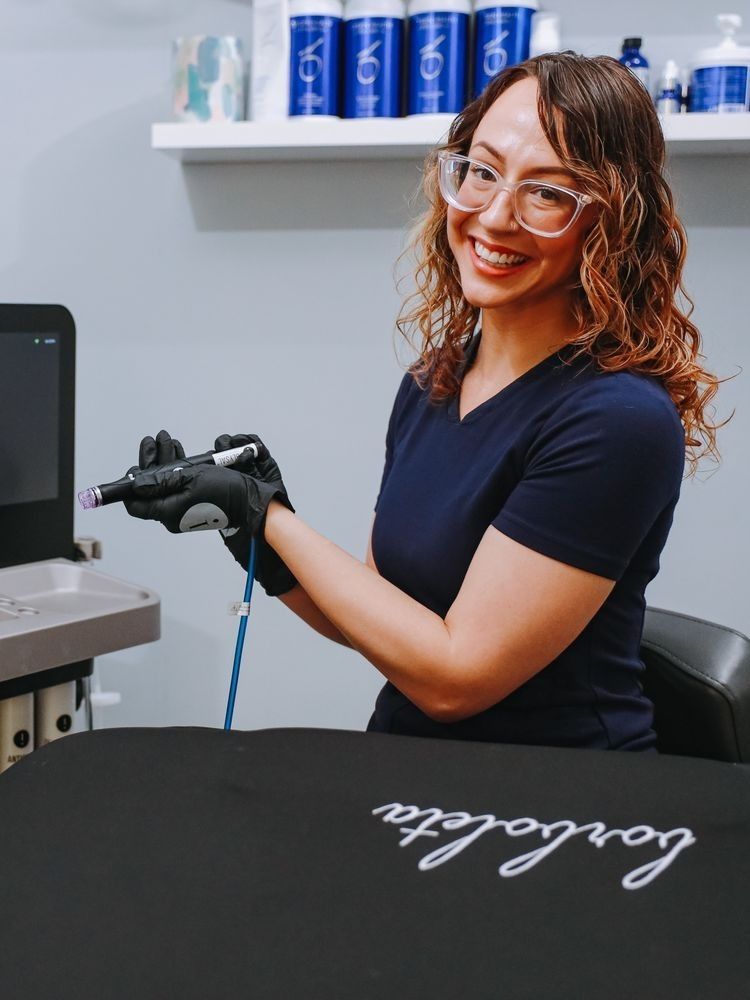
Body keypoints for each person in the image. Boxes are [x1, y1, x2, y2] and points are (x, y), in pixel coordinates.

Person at [125, 53, 721, 752]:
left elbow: (452, 678)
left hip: (560, 801)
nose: (495, 216)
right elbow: (388, 620)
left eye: (548, 193)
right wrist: (245, 524)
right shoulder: (434, 381)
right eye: (482, 170)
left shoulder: (616, 419)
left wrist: (275, 521)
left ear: (612, 223)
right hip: (411, 772)